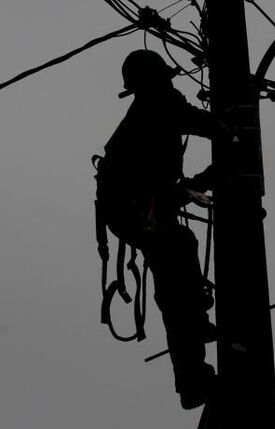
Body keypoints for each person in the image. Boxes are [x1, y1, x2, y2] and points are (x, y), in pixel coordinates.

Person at [96, 49, 221, 410]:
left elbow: (160, 189)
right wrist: (232, 133)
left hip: (136, 207)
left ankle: (194, 327)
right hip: (133, 208)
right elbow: (201, 123)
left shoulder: (150, 109)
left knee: (180, 248)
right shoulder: (156, 105)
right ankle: (192, 377)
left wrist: (198, 182)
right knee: (175, 267)